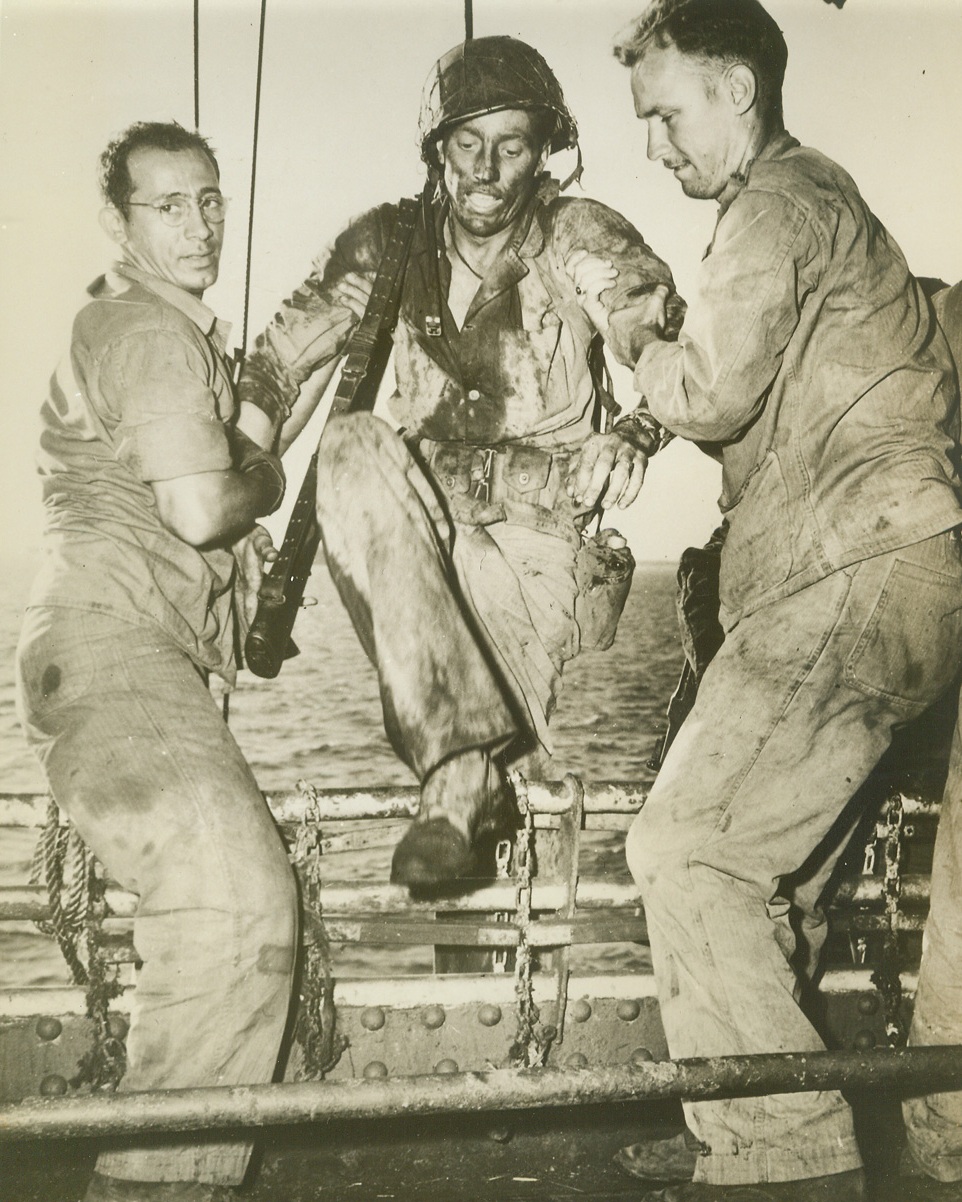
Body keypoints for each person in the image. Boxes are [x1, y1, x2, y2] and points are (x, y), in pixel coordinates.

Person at [567, 1, 962, 1199]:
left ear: (735, 91)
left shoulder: (773, 204)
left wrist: (620, 326)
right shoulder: (824, 205)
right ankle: (756, 1120)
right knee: (771, 874)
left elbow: (712, 386)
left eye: (664, 113)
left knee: (686, 848)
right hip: (909, 574)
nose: (653, 145)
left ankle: (784, 1157)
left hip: (843, 571)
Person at [237, 35, 684, 889]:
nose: (485, 168)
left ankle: (459, 797)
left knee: (492, 809)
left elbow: (664, 348)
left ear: (545, 149)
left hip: (533, 549)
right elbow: (275, 367)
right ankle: (456, 781)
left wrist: (634, 432)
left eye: (510, 146)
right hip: (418, 546)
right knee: (350, 443)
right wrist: (223, 505)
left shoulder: (575, 235)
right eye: (466, 143)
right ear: (436, 146)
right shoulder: (385, 244)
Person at [15, 121, 297, 1202]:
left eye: (211, 200)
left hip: (123, 656)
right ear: (119, 224)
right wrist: (264, 477)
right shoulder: (141, 331)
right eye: (168, 206)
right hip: (112, 650)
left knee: (229, 899)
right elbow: (197, 506)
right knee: (230, 899)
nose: (201, 224)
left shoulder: (174, 339)